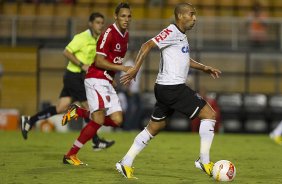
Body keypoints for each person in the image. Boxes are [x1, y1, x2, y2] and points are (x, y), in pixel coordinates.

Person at [115, 3, 221, 179]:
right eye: (191, 14)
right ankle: (204, 160)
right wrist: (135, 69)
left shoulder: (181, 35)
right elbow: (146, 45)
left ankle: (125, 162)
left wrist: (204, 68)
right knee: (209, 114)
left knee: (154, 127)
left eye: (195, 15)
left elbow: (185, 59)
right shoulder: (171, 31)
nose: (195, 18)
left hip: (166, 88)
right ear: (180, 16)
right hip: (173, 88)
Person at [21, 12, 115, 151]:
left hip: (78, 78)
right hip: (74, 76)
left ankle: (30, 121)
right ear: (90, 24)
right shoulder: (82, 37)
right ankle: (96, 141)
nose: (100, 25)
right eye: (97, 22)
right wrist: (81, 64)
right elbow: (66, 52)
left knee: (61, 107)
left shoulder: (98, 40)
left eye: (102, 23)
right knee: (90, 109)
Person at [61, 2, 132, 166]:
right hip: (95, 78)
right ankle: (70, 155)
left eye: (129, 16)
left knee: (117, 120)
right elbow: (99, 61)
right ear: (115, 16)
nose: (126, 19)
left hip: (105, 79)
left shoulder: (125, 34)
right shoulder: (109, 33)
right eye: (123, 16)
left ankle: (78, 111)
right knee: (98, 119)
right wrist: (122, 68)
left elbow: (111, 59)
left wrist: (111, 76)